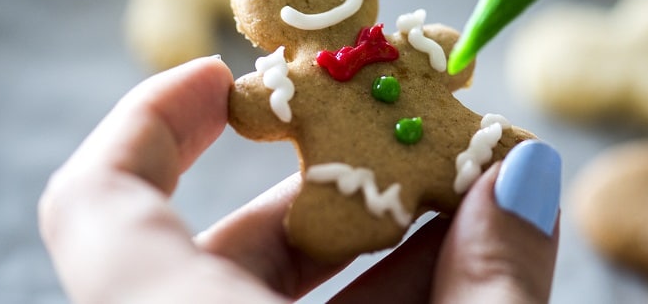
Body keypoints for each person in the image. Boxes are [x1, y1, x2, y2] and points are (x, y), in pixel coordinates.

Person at [38, 56, 562, 303]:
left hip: (460, 142)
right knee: (337, 218)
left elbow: (451, 55)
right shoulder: (298, 79)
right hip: (357, 180)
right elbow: (252, 102)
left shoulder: (405, 50)